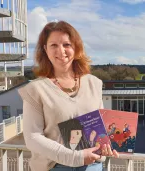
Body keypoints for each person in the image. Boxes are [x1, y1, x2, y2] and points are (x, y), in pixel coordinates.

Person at [18, 20, 119, 171]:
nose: (61, 51)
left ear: (76, 48)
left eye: (66, 44)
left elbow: (100, 127)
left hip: (92, 166)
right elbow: (33, 138)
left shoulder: (94, 83)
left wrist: (108, 145)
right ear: (45, 49)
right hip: (54, 167)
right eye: (54, 45)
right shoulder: (35, 90)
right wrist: (75, 157)